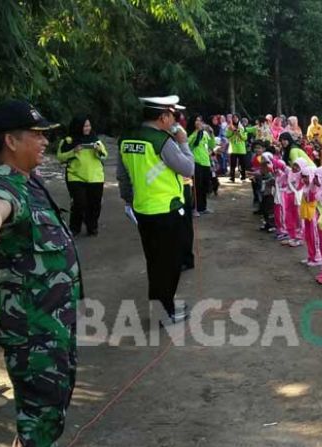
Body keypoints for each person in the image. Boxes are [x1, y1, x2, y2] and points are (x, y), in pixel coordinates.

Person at [0, 100, 82, 447]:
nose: (44, 141)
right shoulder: (5, 185)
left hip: (51, 319)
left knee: (52, 398)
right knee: (44, 401)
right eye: (36, 134)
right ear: (10, 141)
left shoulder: (27, 181)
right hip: (33, 328)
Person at [117, 95, 193, 322]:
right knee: (170, 263)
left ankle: (163, 307)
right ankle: (165, 313)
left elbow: (122, 175)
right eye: (172, 116)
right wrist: (183, 141)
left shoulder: (127, 138)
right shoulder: (163, 141)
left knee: (154, 261)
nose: (174, 120)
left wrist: (130, 200)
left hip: (143, 210)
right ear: (163, 117)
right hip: (167, 210)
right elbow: (188, 168)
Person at [56, 115, 108, 236]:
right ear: (78, 126)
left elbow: (104, 156)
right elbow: (60, 157)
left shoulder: (95, 139)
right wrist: (73, 151)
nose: (87, 128)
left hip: (95, 176)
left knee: (95, 204)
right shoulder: (68, 140)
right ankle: (75, 228)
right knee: (79, 203)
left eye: (89, 125)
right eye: (85, 126)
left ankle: (92, 227)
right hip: (75, 176)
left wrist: (97, 150)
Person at [187, 115, 216, 214]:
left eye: (200, 121)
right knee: (197, 187)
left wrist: (211, 133)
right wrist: (197, 132)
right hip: (196, 162)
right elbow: (189, 143)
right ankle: (195, 208)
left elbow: (212, 145)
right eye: (197, 121)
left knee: (204, 186)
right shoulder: (190, 133)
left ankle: (203, 207)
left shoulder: (204, 133)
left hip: (206, 162)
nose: (199, 123)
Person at [298, 164, 321, 266]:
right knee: (308, 235)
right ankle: (311, 255)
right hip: (307, 214)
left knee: (314, 236)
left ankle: (317, 257)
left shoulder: (314, 188)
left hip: (313, 215)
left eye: (306, 176)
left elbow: (311, 198)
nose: (304, 179)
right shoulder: (306, 186)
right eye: (303, 176)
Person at [226, 115, 247, 182]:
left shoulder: (243, 127)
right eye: (233, 118)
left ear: (238, 118)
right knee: (232, 164)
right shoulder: (230, 127)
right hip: (233, 148)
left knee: (242, 164)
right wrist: (232, 132)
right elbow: (227, 135)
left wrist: (239, 133)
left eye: (236, 117)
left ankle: (243, 176)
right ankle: (232, 177)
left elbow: (245, 138)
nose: (235, 119)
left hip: (241, 148)